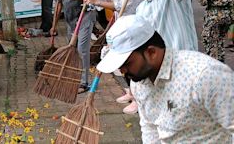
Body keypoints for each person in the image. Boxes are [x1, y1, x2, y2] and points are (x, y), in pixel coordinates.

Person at [97, 15, 234, 143]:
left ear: (152, 52)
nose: (122, 71)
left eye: (127, 64)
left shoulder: (205, 75)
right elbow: (149, 126)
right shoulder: (138, 83)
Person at [83, 0, 143, 114]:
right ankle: (130, 92)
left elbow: (120, 5)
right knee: (123, 63)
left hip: (136, 27)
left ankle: (139, 100)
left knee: (134, 63)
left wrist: (95, 1)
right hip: (120, 26)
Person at [46, 0, 96, 93]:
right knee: (72, 49)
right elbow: (58, 4)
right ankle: (74, 77)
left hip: (85, 15)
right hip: (71, 18)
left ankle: (84, 82)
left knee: (82, 50)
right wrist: (53, 25)